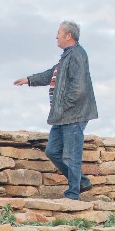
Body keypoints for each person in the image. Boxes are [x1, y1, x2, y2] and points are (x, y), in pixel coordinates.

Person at [14, 21, 98, 200]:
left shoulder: (77, 54)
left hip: (73, 115)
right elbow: (49, 75)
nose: (56, 37)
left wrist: (64, 105)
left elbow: (79, 87)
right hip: (62, 116)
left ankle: (73, 194)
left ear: (68, 36)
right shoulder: (66, 57)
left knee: (71, 155)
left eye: (59, 33)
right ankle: (81, 182)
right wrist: (28, 80)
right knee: (52, 151)